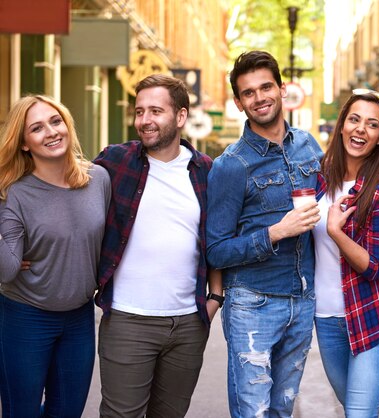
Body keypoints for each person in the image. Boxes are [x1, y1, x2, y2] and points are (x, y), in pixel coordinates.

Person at [94, 74, 222, 418]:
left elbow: (218, 238)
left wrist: (215, 299)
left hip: (188, 324)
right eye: (139, 111)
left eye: (155, 111)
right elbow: (67, 191)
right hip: (128, 320)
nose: (145, 120)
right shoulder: (115, 162)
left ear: (180, 116)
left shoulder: (207, 171)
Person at [205, 50, 323, 417]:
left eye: (266, 87)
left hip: (302, 300)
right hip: (252, 304)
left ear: (281, 88)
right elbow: (216, 251)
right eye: (249, 93)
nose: (260, 98)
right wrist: (275, 232)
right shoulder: (231, 165)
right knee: (252, 412)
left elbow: (337, 196)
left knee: (283, 410)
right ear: (239, 103)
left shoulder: (309, 146)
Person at [0, 95, 111, 417]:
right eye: (36, 128)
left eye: (55, 121)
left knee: (68, 411)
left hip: (78, 316)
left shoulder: (98, 180)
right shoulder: (14, 192)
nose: (50, 132)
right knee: (22, 412)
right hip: (25, 316)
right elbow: (7, 269)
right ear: (23, 143)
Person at [312, 88, 379, 416]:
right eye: (354, 119)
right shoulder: (319, 181)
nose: (360, 129)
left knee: (359, 414)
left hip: (371, 316)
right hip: (326, 319)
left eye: (372, 124)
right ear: (341, 126)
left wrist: (336, 231)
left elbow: (376, 267)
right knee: (353, 408)